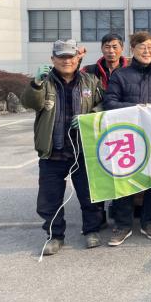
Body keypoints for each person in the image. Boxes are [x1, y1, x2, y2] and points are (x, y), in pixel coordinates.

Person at [21, 39, 104, 255]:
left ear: (77, 58)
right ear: (53, 59)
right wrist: (36, 84)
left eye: (70, 56)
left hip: (82, 150)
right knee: (50, 199)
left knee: (90, 195)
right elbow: (30, 103)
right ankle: (55, 236)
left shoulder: (90, 81)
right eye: (61, 57)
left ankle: (91, 231)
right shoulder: (44, 82)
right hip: (53, 151)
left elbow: (103, 104)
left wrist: (91, 116)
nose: (66, 61)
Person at [104, 31, 151, 246]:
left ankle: (149, 221)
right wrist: (138, 108)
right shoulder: (120, 75)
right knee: (124, 180)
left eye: (150, 47)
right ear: (132, 50)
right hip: (127, 136)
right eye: (142, 47)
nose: (147, 51)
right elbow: (110, 103)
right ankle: (123, 225)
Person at [80, 32, 128, 227]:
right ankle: (97, 216)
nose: (111, 51)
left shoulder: (130, 70)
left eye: (115, 47)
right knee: (97, 171)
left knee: (120, 171)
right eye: (107, 47)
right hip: (96, 128)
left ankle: (118, 213)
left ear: (122, 49)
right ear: (101, 49)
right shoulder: (89, 71)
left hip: (122, 128)